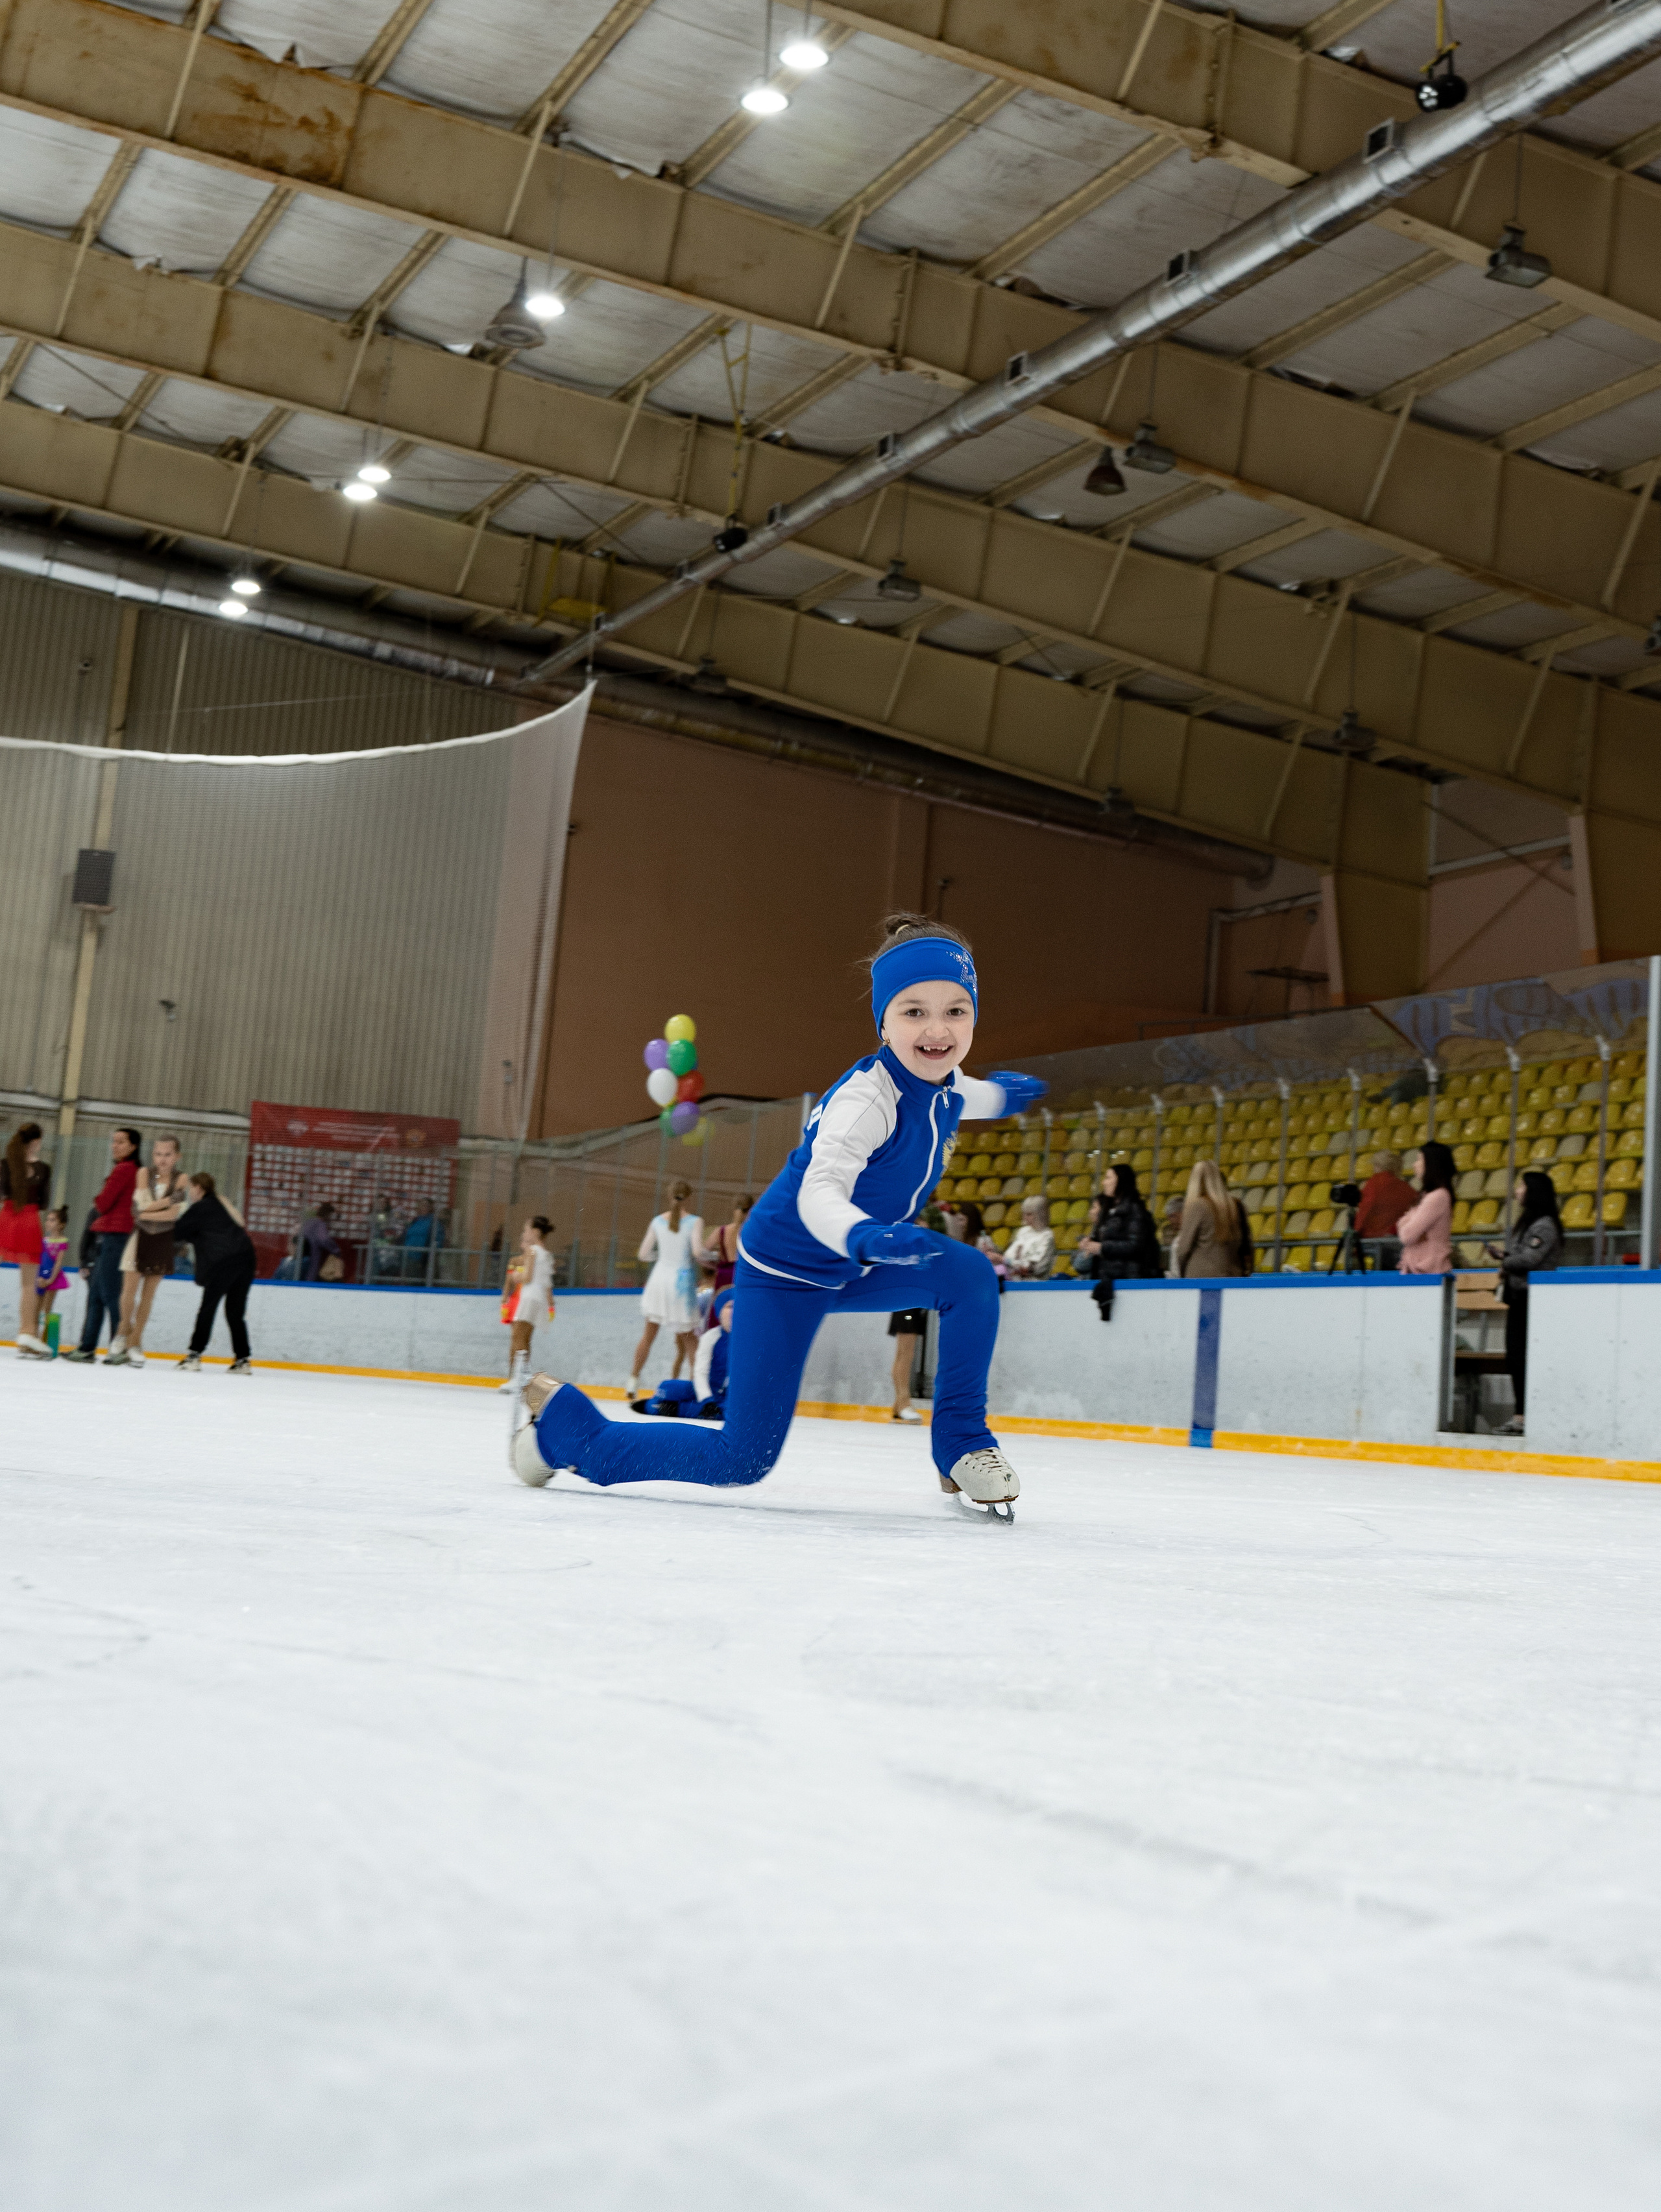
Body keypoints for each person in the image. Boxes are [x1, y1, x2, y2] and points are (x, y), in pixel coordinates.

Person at [512, 913, 1046, 1515]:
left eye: (956, 1011)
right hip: (787, 1271)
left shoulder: (946, 1086)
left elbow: (966, 1093)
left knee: (971, 1277)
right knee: (745, 1458)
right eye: (914, 1011)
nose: (938, 1029)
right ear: (884, 1024)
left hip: (859, 1258)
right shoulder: (867, 1100)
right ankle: (574, 1434)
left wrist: (1003, 1095)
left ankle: (961, 1443)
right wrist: (865, 1236)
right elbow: (820, 1192)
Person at [1485, 1170, 1562, 1434]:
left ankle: (1525, 1417)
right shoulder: (1531, 1224)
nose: (1517, 1191)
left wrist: (1504, 1261)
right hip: (1520, 1297)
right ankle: (1521, 1415)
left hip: (1532, 1300)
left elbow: (1530, 1260)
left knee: (1522, 1357)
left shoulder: (1544, 1225)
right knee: (1516, 1358)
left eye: (1522, 1186)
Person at [63, 1126, 140, 1363]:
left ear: (133, 1147)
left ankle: (121, 1347)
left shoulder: (125, 1169)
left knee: (110, 1294)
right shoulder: (129, 1169)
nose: (114, 1146)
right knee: (96, 1295)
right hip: (110, 1236)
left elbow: (103, 1203)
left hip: (116, 1237)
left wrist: (98, 1199)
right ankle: (87, 1347)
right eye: (113, 1142)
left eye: (121, 1142)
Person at [112, 1132, 186, 1368]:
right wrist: (165, 1203)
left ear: (177, 1156)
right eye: (158, 1154)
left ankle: (135, 1342)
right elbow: (140, 1206)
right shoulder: (143, 1173)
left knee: (148, 1296)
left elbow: (173, 1216)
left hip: (163, 1240)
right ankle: (123, 1332)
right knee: (128, 1292)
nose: (162, 1159)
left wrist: (147, 1212)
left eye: (167, 1154)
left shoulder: (183, 1179)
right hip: (140, 1238)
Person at [629, 1179, 707, 1399]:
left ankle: (632, 1381)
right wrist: (713, 1257)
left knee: (648, 1335)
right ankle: (697, 1386)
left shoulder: (657, 1221)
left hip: (659, 1279)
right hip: (681, 1280)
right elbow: (698, 1251)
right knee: (690, 1338)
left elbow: (643, 1254)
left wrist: (660, 1258)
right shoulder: (695, 1221)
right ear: (689, 1198)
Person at [173, 1172, 258, 1373]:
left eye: (191, 1189)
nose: (190, 1193)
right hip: (246, 1258)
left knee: (208, 1308)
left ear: (199, 1188)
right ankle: (243, 1359)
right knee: (235, 1313)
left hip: (223, 1262)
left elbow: (178, 1233)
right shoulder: (221, 1206)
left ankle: (194, 1354)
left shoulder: (200, 1208)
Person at [1076, 1162, 1161, 1320]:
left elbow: (1135, 1246)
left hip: (1130, 1282)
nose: (1104, 1182)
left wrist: (1102, 1248)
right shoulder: (1109, 1212)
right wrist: (1091, 1243)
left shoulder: (1134, 1211)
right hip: (1110, 1283)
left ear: (1120, 1181)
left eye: (1108, 1178)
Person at [2, 1120, 52, 1357]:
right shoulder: (44, 1169)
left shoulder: (5, 1165)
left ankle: (27, 1335)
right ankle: (26, 1333)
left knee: (28, 1284)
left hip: (7, 1217)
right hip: (30, 1221)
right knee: (28, 1285)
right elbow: (43, 1203)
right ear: (35, 1142)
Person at [1173, 1157, 1252, 1278]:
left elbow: (1183, 1249)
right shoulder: (1237, 1206)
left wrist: (1182, 1273)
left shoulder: (1197, 1206)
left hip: (1201, 1278)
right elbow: (1247, 1247)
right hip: (1234, 1276)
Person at [502, 1215, 554, 1391]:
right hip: (538, 1299)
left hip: (529, 1297)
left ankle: (520, 1377)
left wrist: (516, 1276)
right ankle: (522, 1377)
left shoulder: (532, 1251)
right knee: (525, 1338)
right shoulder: (545, 1254)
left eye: (526, 1230)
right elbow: (547, 1282)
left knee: (518, 1337)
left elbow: (527, 1277)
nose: (524, 1234)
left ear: (536, 1232)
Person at [1396, 1140, 1455, 1276]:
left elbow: (1407, 1235)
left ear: (1431, 1164)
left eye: (1419, 1160)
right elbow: (1406, 1228)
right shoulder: (1428, 1196)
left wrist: (1408, 1220)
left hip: (1428, 1271)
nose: (1414, 1164)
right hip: (1420, 1271)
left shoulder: (1438, 1197)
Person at [1355, 1148, 1417, 1264]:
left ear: (1378, 1166)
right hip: (1397, 1240)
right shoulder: (1406, 1188)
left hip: (1374, 1239)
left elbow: (1365, 1211)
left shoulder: (1374, 1183)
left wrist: (1355, 1233)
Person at [691, 1286, 735, 1418]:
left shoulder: (750, 1341)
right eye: (730, 1307)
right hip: (710, 1393)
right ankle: (660, 1406)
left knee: (729, 1411)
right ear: (719, 1311)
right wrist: (707, 1400)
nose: (735, 1311)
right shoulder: (711, 1337)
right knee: (673, 1389)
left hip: (732, 1399)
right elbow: (700, 1371)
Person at [34, 1207, 71, 1351]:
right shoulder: (44, 1240)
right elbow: (39, 1259)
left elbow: (58, 1262)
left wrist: (50, 1280)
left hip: (52, 1279)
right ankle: (35, 1339)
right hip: (39, 1277)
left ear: (61, 1224)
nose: (48, 1222)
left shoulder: (62, 1241)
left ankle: (46, 1341)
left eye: (53, 1220)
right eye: (48, 1220)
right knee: (36, 1310)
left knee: (47, 1310)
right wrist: (38, 1278)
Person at [704, 1195, 752, 1295]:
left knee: (721, 1308)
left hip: (723, 1276)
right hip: (742, 1276)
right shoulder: (751, 1233)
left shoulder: (721, 1231)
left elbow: (702, 1254)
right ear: (750, 1211)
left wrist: (714, 1266)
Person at [888, 1304, 927, 1423]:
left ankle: (899, 1405)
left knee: (904, 1354)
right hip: (907, 1307)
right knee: (905, 1355)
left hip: (911, 1307)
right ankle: (903, 1404)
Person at [1001, 1194, 1055, 1279]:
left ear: (1041, 1214)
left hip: (1035, 1286)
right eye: (1024, 1214)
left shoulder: (1047, 1236)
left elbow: (1036, 1269)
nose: (1025, 1218)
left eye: (1029, 1214)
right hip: (1014, 1283)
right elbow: (1009, 1257)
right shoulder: (1022, 1232)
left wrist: (1006, 1261)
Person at [298, 1201, 343, 1282]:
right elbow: (324, 1239)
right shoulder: (321, 1224)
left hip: (301, 1256)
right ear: (328, 1215)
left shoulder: (309, 1222)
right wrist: (336, 1250)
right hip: (313, 1256)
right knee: (309, 1281)